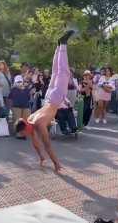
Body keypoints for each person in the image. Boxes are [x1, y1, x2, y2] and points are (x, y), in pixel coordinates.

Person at [14, 30, 75, 173]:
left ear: (25, 128)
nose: (26, 136)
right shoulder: (29, 120)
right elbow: (36, 144)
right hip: (48, 97)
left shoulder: (39, 124)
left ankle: (63, 44)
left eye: (24, 134)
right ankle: (59, 46)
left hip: (54, 99)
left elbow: (47, 145)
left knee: (63, 72)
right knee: (55, 72)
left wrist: (56, 164)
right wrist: (41, 157)